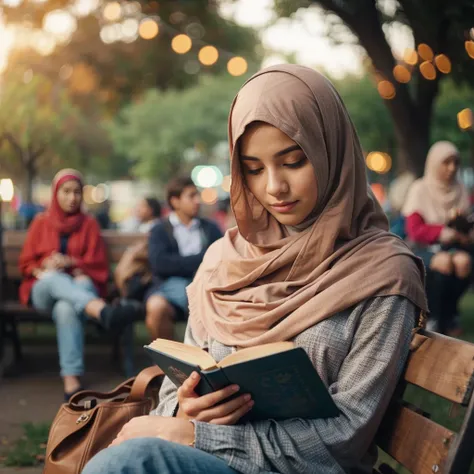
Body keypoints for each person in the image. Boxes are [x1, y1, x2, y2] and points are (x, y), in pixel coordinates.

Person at [83, 65, 427, 474]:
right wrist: (184, 411)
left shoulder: (382, 274)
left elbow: (343, 439)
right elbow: (175, 392)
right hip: (209, 459)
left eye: (294, 161)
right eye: (253, 168)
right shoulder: (224, 260)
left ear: (331, 152)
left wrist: (199, 436)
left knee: (130, 462)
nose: (274, 187)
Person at [19, 169, 144, 400]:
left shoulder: (89, 224)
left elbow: (98, 265)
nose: (72, 197)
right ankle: (103, 312)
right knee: (56, 279)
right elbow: (26, 264)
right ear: (56, 193)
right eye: (66, 192)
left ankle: (71, 381)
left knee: (66, 308)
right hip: (43, 290)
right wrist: (46, 265)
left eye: (77, 192)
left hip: (75, 294)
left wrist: (71, 263)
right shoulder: (40, 222)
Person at [403, 141, 473, 335]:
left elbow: (465, 220)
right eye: (446, 163)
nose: (452, 168)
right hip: (421, 247)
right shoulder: (420, 189)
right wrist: (442, 232)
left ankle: (450, 314)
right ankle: (433, 316)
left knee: (463, 262)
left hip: (453, 247)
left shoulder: (460, 189)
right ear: (434, 163)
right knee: (444, 263)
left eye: (455, 163)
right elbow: (414, 229)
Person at [144, 177, 222, 340]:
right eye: (191, 196)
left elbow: (221, 258)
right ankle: (166, 361)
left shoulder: (209, 228)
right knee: (156, 306)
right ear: (175, 201)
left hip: (205, 287)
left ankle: (208, 361)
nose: (197, 201)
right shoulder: (159, 229)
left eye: (197, 195)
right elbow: (160, 264)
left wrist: (180, 262)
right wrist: (201, 259)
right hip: (169, 290)